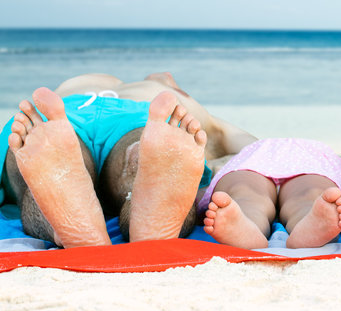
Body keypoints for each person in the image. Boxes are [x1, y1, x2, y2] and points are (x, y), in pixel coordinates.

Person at [1, 72, 257, 248]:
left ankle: (56, 222)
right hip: (138, 117)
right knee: (142, 158)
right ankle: (144, 217)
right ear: (173, 83)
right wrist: (220, 166)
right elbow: (251, 146)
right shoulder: (167, 94)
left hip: (60, 113)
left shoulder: (76, 82)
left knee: (42, 170)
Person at [199, 138, 341, 249]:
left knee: (245, 194)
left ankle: (247, 223)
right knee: (311, 195)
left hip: (254, 160)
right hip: (312, 163)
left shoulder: (251, 150)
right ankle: (307, 223)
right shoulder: (337, 161)